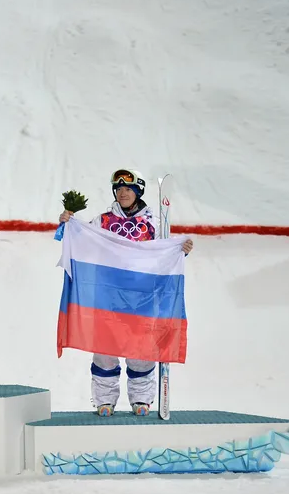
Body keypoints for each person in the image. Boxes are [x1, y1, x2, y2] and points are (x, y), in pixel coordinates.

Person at [59, 169, 194, 417]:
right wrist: (67, 224)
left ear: (138, 192)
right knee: (104, 349)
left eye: (128, 189)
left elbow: (164, 254)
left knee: (141, 350)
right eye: (119, 189)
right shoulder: (102, 222)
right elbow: (80, 241)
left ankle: (141, 399)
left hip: (141, 298)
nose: (123, 193)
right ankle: (104, 400)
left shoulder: (154, 223)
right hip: (108, 297)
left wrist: (180, 251)